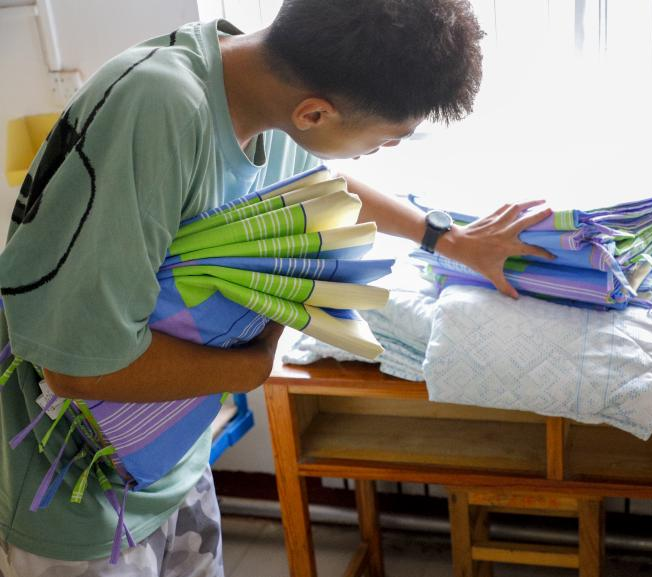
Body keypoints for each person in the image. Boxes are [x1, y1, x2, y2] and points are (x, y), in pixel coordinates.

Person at [0, 0, 553, 575]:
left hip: (166, 457)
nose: (386, 149)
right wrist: (252, 365)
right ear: (315, 113)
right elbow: (78, 371)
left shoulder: (259, 87)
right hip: (73, 495)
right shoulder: (161, 109)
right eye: (388, 138)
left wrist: (448, 238)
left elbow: (323, 186)